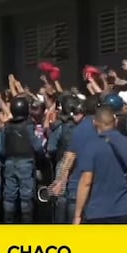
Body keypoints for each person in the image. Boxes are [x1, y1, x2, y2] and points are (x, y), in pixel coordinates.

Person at [73, 107, 127, 224]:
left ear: (94, 123)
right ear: (116, 122)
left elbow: (86, 181)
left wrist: (77, 215)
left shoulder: (91, 147)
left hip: (96, 212)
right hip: (125, 211)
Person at [50, 95, 100, 222]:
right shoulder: (103, 129)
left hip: (77, 182)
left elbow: (69, 157)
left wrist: (61, 180)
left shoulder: (80, 130)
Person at [0, 95, 44, 223]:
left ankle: (9, 223)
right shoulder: (29, 125)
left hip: (9, 162)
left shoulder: (5, 127)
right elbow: (37, 146)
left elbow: (0, 149)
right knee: (26, 196)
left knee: (9, 196)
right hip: (26, 162)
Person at [47, 95, 85, 223]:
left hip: (62, 162)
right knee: (74, 196)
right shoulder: (83, 126)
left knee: (61, 196)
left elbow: (51, 148)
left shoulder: (60, 127)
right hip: (79, 164)